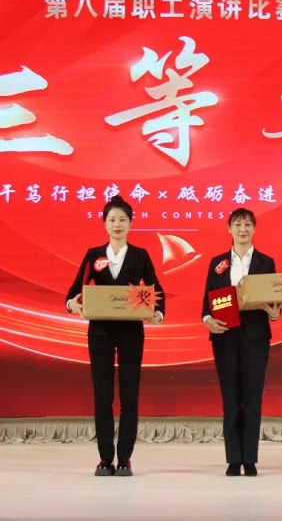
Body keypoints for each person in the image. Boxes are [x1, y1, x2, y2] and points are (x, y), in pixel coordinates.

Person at [65, 195, 165, 477]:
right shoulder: (93, 254)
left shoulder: (140, 255)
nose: (117, 224)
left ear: (131, 224)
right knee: (103, 394)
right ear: (104, 224)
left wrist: (157, 313)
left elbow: (156, 290)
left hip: (131, 331)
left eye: (122, 219)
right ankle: (105, 457)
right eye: (112, 220)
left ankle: (125, 458)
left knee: (129, 395)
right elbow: (75, 291)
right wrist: (73, 304)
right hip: (100, 332)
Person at [202, 208, 280, 477]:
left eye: (247, 224)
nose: (242, 229)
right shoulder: (218, 263)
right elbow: (207, 302)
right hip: (225, 336)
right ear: (229, 229)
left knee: (253, 398)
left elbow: (275, 301)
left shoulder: (266, 262)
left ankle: (250, 459)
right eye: (237, 224)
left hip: (256, 337)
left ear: (254, 229)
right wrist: (207, 320)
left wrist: (275, 312)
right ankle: (234, 459)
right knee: (231, 399)